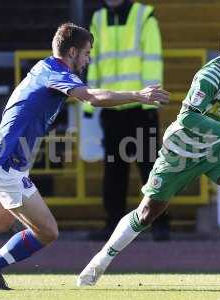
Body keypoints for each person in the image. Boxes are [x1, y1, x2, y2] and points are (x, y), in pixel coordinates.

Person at [0, 23, 169, 290]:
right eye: (86, 53)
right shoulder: (57, 73)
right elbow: (91, 97)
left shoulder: (43, 66)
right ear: (71, 52)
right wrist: (137, 95)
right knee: (47, 231)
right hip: (5, 162)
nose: (88, 59)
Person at [77, 26, 220, 286]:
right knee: (147, 214)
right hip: (181, 151)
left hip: (217, 148)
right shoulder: (209, 77)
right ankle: (99, 262)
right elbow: (187, 117)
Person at [84, 0, 170, 241]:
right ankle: (113, 225)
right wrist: (92, 100)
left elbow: (153, 59)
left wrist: (150, 103)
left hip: (141, 109)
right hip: (111, 108)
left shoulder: (144, 16)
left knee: (152, 170)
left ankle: (161, 224)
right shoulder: (98, 18)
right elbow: (94, 60)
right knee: (113, 171)